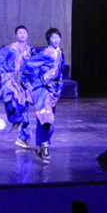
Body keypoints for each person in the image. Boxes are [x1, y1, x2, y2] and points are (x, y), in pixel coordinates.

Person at [0, 25, 35, 149]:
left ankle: (22, 137)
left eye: (24, 33)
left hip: (24, 82)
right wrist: (5, 73)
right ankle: (15, 121)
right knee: (14, 103)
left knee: (24, 109)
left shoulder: (30, 50)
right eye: (20, 33)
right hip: (13, 81)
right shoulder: (10, 48)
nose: (22, 35)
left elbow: (35, 64)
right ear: (16, 35)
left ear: (27, 35)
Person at [23, 28, 65, 161]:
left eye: (58, 37)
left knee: (45, 116)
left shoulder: (59, 52)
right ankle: (45, 144)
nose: (56, 40)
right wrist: (39, 79)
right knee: (46, 117)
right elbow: (29, 64)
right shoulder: (45, 53)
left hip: (55, 89)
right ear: (48, 39)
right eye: (53, 37)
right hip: (44, 89)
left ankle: (41, 145)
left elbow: (60, 70)